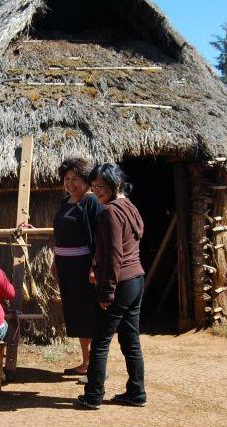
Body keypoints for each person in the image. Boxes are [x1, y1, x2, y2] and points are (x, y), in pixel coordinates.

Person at [77, 163, 146, 409]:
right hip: (137, 279)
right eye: (93, 187)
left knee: (100, 341)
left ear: (115, 184)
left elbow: (114, 255)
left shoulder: (110, 213)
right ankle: (136, 393)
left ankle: (93, 395)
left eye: (101, 187)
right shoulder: (130, 207)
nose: (97, 191)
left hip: (121, 282)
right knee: (130, 340)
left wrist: (107, 292)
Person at [51, 157, 104, 377]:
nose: (70, 183)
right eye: (67, 179)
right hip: (66, 266)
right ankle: (86, 362)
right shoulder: (65, 202)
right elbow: (60, 235)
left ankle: (97, 366)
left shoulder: (92, 203)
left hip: (84, 266)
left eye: (75, 179)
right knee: (77, 315)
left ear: (86, 181)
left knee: (89, 313)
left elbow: (100, 238)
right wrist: (55, 261)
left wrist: (94, 266)